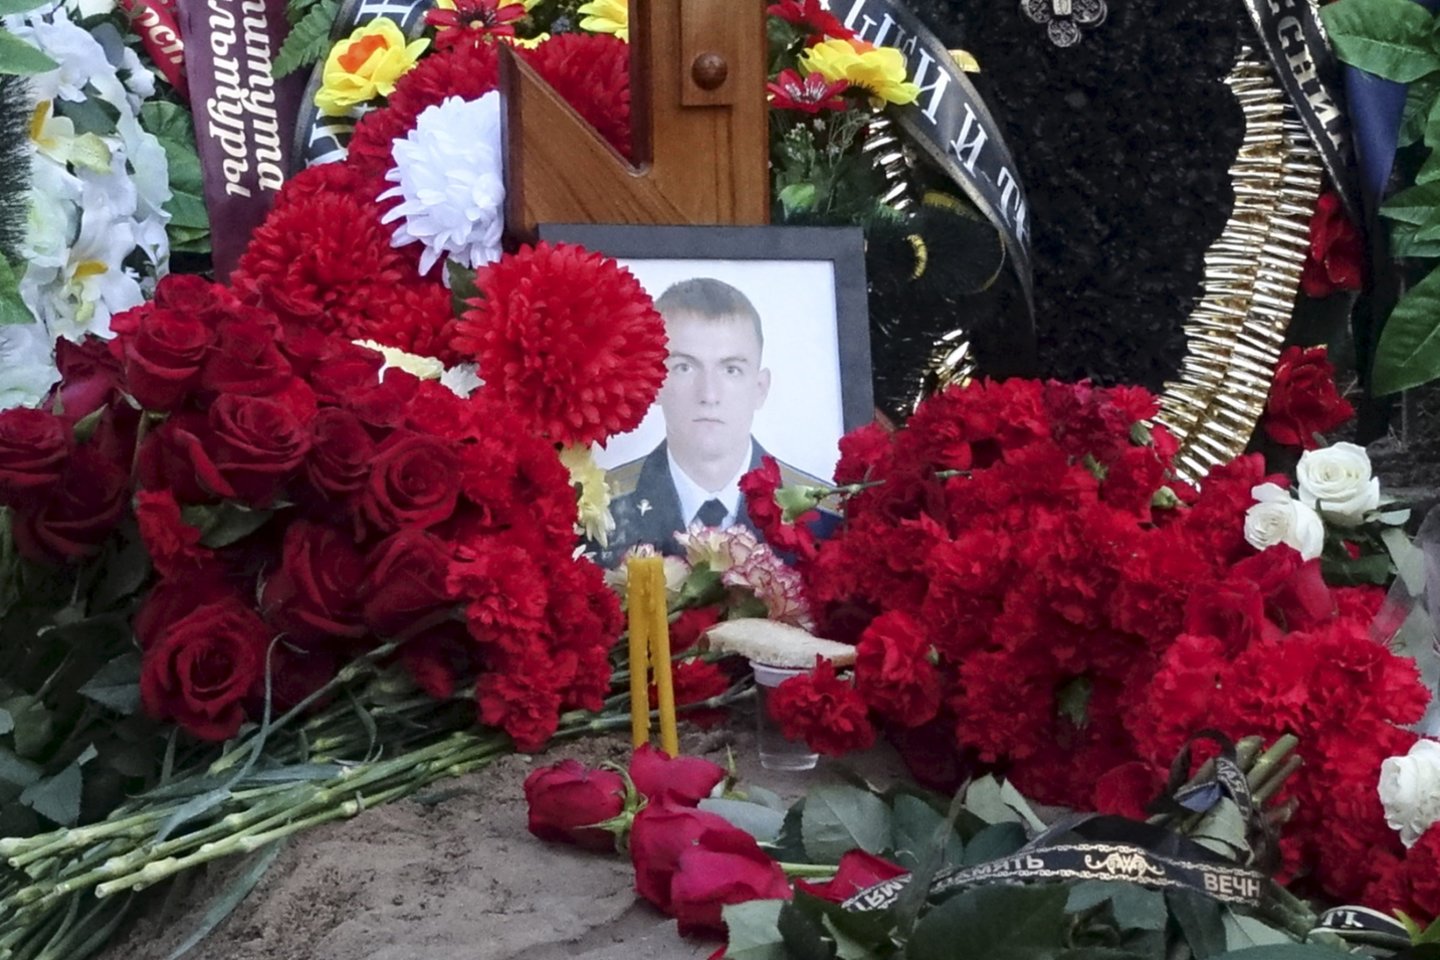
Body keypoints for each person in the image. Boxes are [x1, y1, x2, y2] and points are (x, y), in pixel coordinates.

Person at [603, 277, 833, 559]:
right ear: (654, 383)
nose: (709, 394)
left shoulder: (824, 518)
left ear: (760, 389)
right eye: (684, 367)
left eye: (731, 370)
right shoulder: (599, 513)